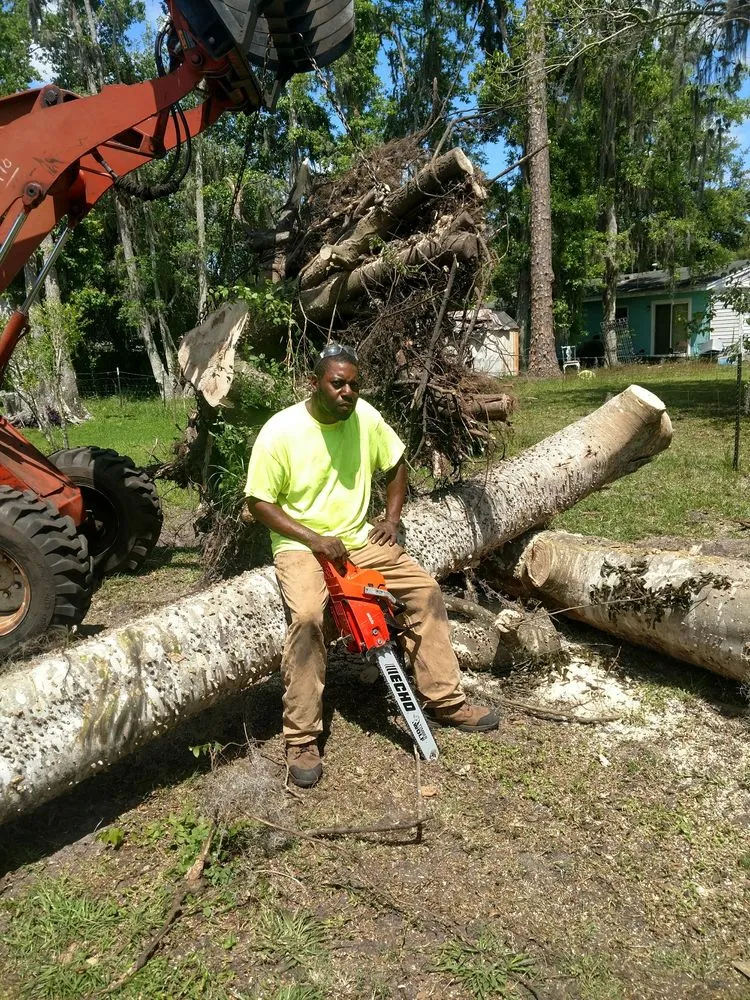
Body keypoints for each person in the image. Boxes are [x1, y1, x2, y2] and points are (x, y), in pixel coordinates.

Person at [244, 343, 500, 788]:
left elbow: (395, 462)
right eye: (337, 383)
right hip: (299, 544)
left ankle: (444, 699)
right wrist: (313, 538)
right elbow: (258, 502)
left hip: (357, 539)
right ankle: (302, 736)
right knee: (307, 618)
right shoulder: (281, 431)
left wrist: (392, 518)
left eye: (354, 384)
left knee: (424, 592)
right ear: (315, 382)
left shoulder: (365, 417)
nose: (347, 392)